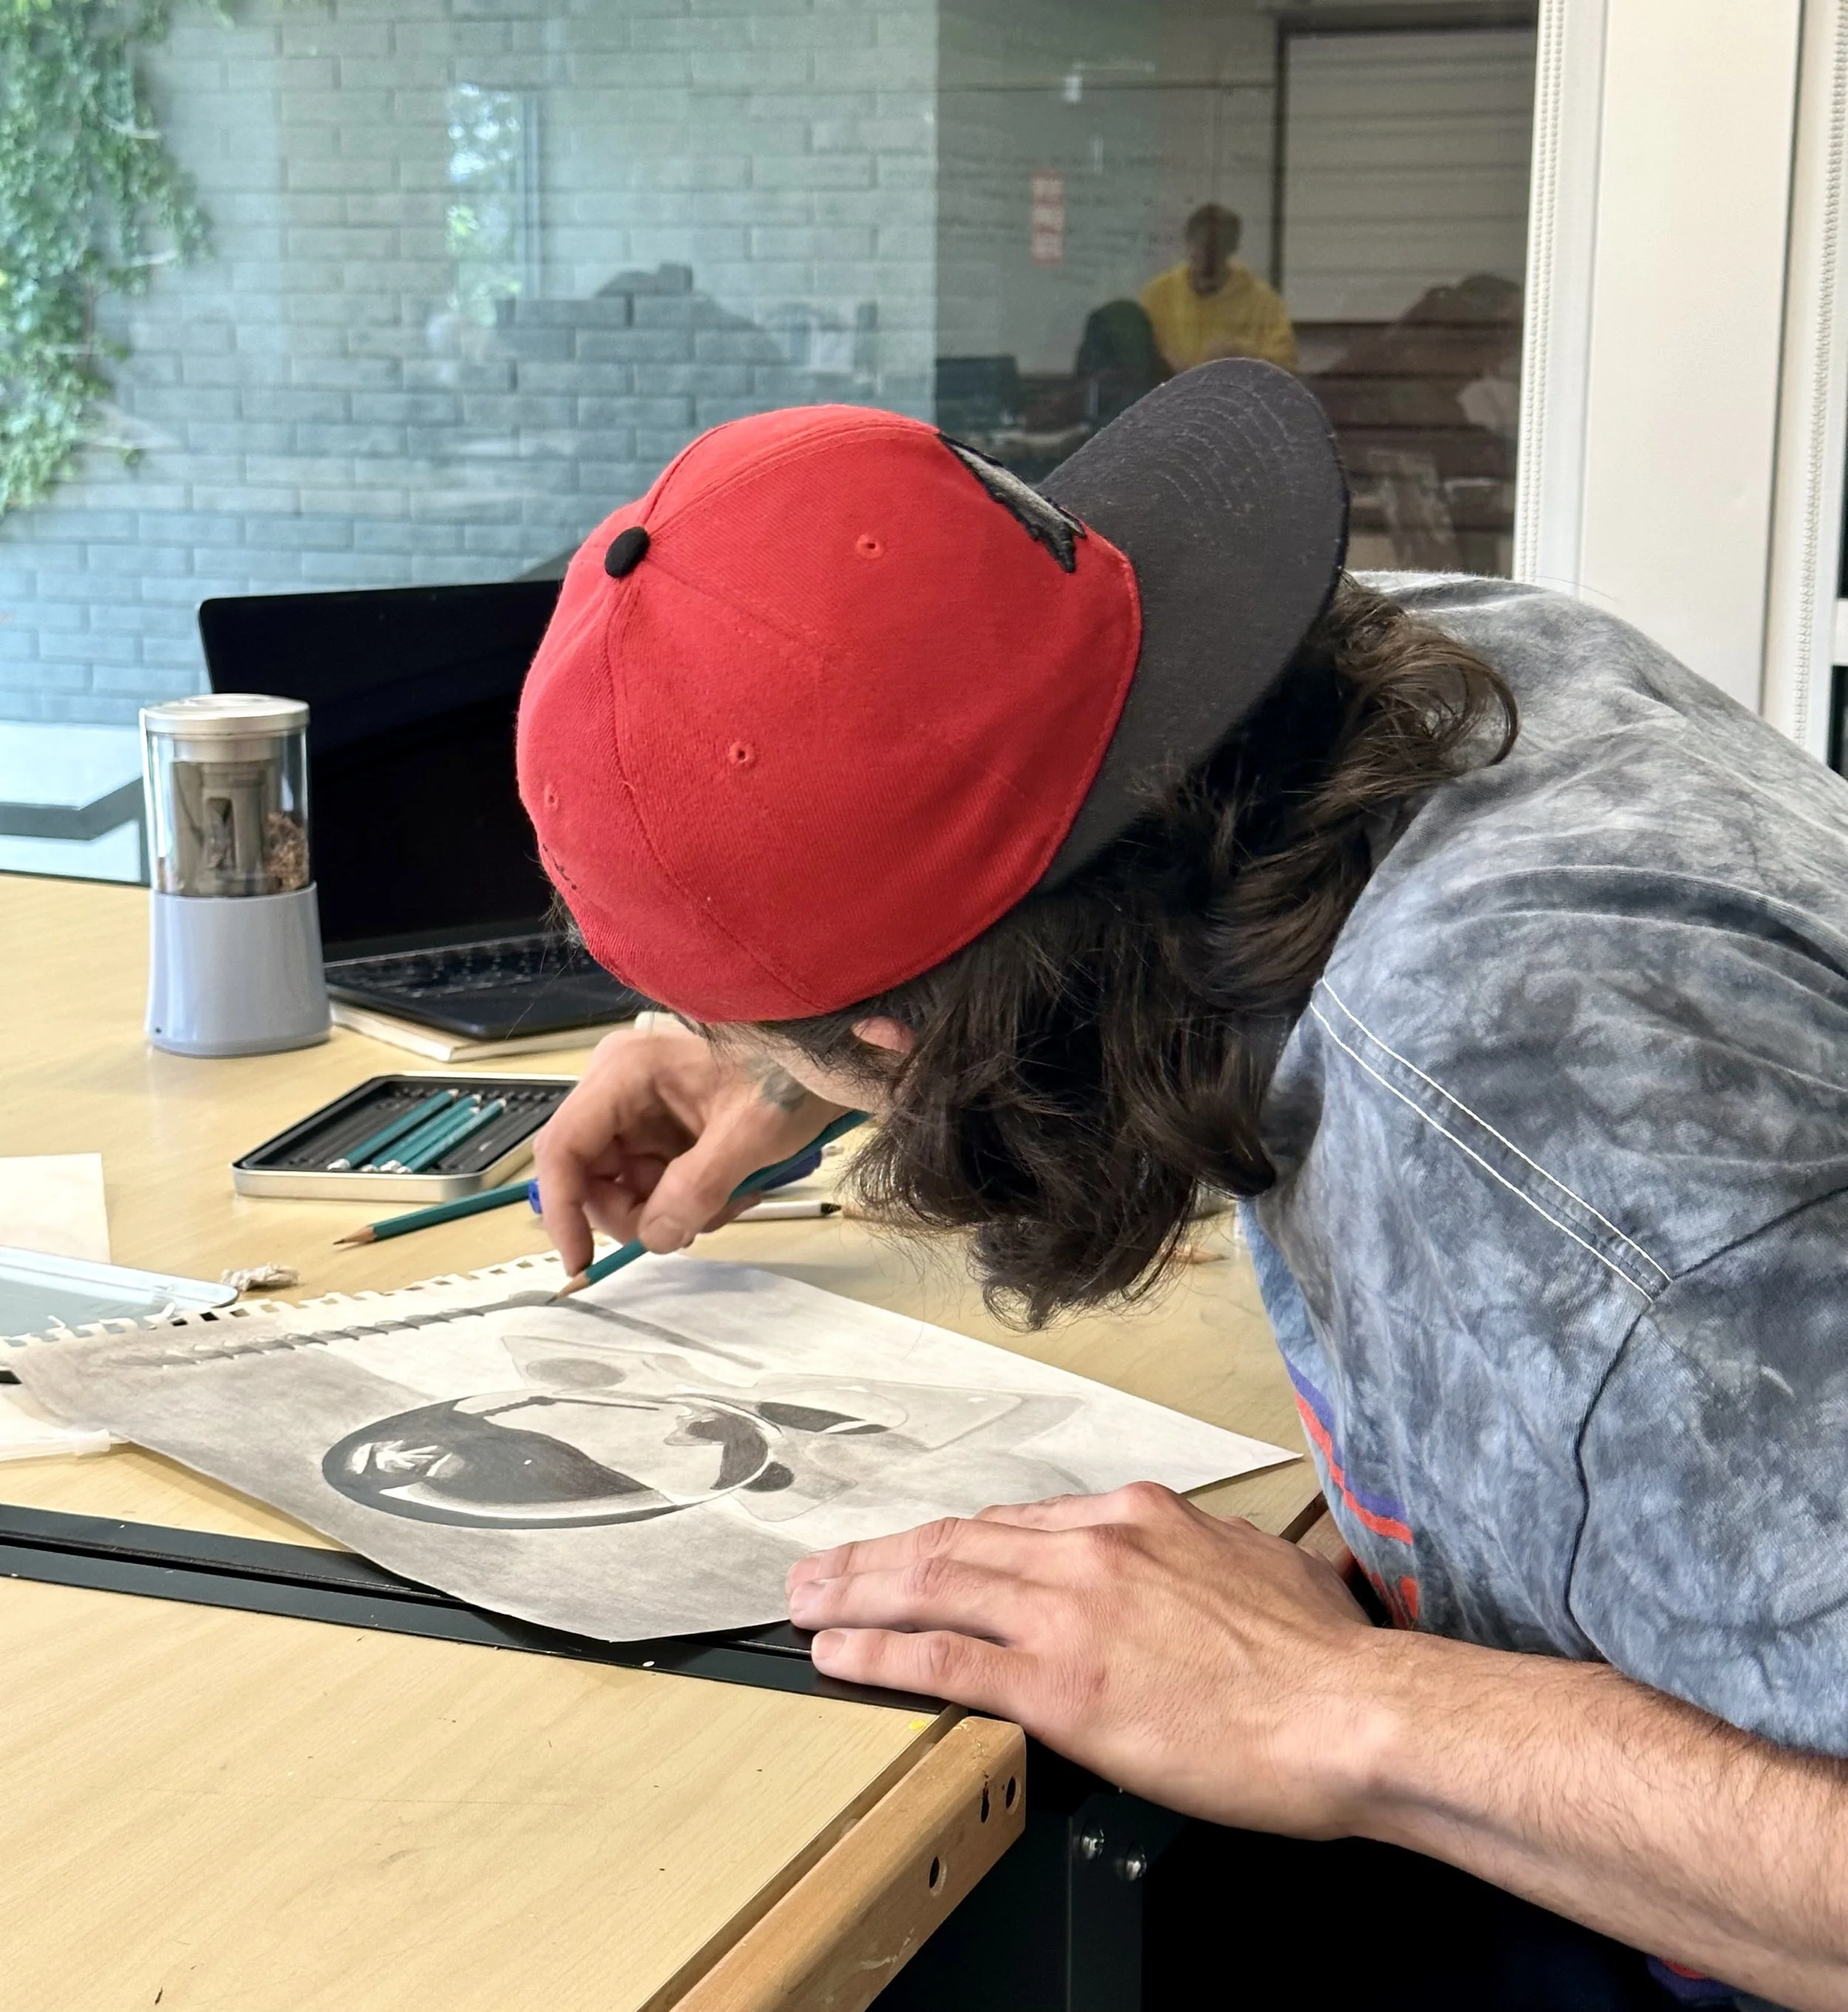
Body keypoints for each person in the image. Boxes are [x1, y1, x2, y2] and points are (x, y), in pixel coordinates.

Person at [517, 364, 1848, 2008]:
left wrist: (1337, 1704)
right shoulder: (1448, 670)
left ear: (914, 1037)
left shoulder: (1509, 1109)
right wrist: (799, 1054)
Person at [1139, 203, 1297, 373]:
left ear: (1232, 249)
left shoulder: (1263, 303)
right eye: (1200, 257)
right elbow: (1137, 351)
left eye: (1215, 257)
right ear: (1188, 246)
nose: (1207, 271)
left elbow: (1286, 365)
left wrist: (1242, 354)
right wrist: (1161, 362)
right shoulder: (1158, 295)